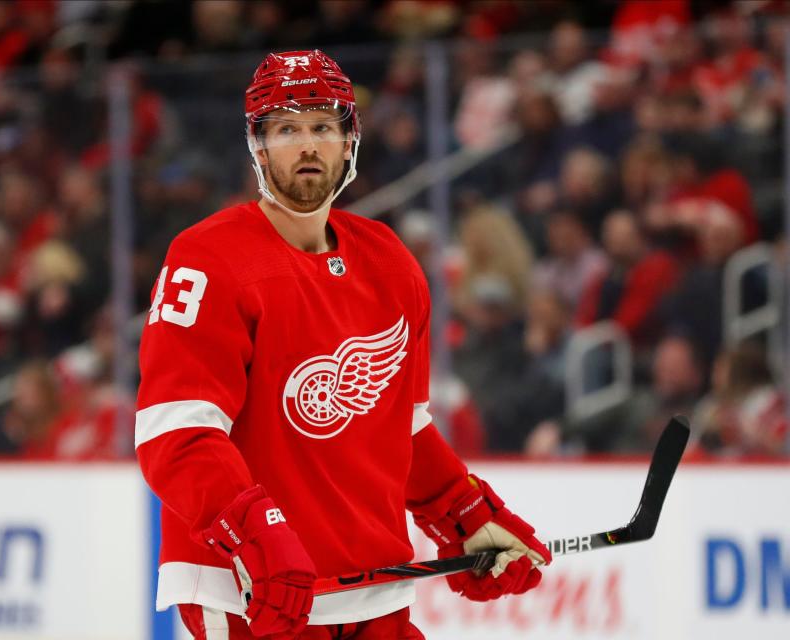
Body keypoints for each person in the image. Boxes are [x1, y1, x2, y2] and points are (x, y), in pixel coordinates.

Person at [135, 50, 551, 639]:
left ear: (349, 140)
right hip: (255, 597)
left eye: (323, 127)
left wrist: (464, 513)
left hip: (372, 590)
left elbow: (399, 427)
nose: (307, 145)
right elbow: (176, 435)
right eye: (287, 128)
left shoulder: (391, 263)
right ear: (258, 144)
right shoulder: (206, 260)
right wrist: (257, 533)